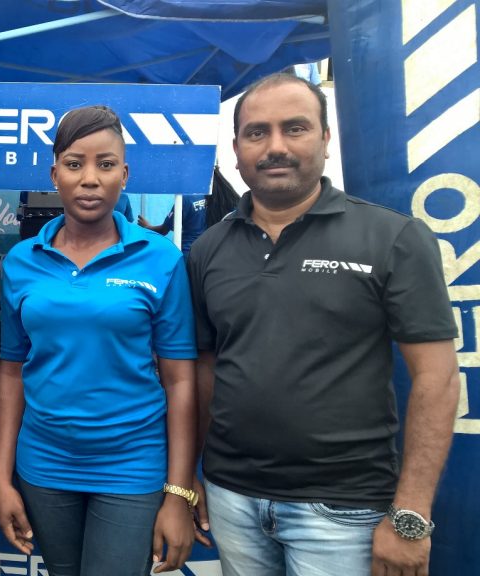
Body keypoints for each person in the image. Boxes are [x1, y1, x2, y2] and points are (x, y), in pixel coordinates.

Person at [188, 72, 460, 576]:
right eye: (256, 132)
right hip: (232, 498)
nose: (274, 147)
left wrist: (411, 516)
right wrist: (191, 478)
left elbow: (438, 379)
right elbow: (204, 371)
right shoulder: (208, 250)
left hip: (344, 509)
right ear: (236, 148)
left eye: (295, 128)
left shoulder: (393, 238)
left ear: (325, 139)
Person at [0, 105, 200, 576]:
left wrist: (179, 491)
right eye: (74, 164)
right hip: (43, 465)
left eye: (105, 165)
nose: (90, 178)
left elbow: (180, 381)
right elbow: (10, 373)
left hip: (131, 464)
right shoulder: (22, 261)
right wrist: (2, 477)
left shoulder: (159, 258)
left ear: (124, 174)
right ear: (54, 174)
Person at [139, 167, 240, 256]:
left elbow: (163, 230)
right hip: (215, 255)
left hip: (191, 256)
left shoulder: (187, 199)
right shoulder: (227, 197)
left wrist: (147, 227)